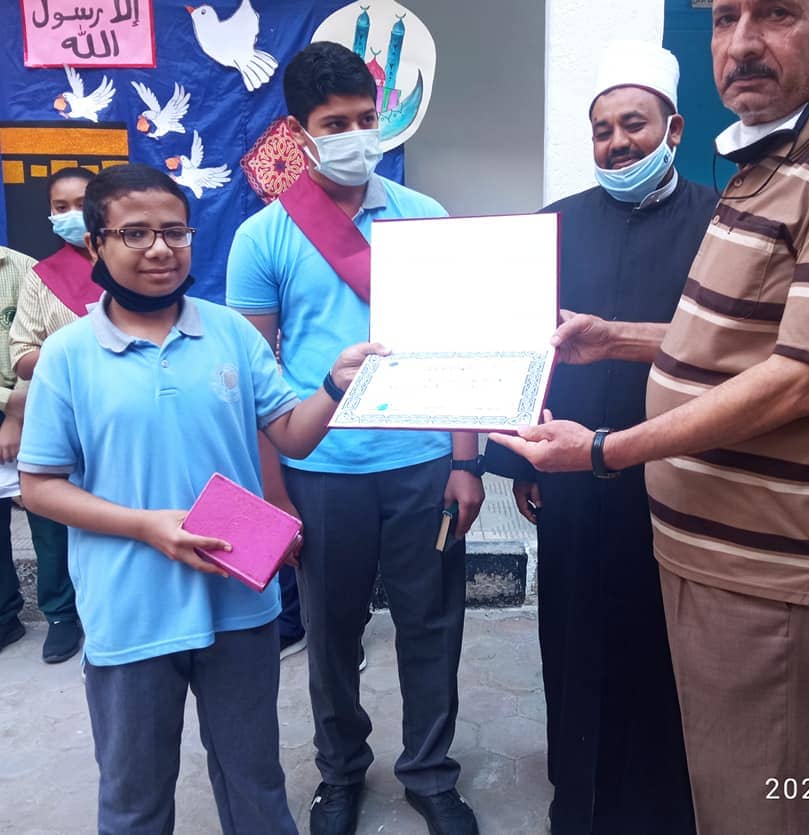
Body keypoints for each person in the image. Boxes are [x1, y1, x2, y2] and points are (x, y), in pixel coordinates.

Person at [491, 0, 809, 833]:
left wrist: (604, 450)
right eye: (726, 18)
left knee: (767, 802)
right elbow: (750, 342)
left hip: (789, 568)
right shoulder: (770, 166)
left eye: (775, 13)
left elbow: (801, 379)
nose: (743, 41)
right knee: (718, 778)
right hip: (717, 552)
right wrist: (616, 338)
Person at [17, 162, 384, 835]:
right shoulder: (67, 356)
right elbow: (40, 486)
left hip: (238, 600)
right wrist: (145, 526)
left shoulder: (230, 333)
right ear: (95, 244)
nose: (160, 248)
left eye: (175, 232)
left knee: (256, 786)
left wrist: (336, 385)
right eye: (135, 233)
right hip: (131, 608)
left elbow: (294, 437)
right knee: (134, 798)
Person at [226, 41, 484, 835]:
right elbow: (256, 379)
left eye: (366, 118)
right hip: (321, 470)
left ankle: (430, 771)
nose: (356, 135)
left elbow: (459, 347)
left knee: (432, 626)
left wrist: (467, 461)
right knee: (332, 633)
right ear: (299, 134)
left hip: (423, 464)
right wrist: (273, 495)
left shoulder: (425, 219)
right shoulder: (263, 237)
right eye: (335, 123)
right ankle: (340, 770)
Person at [484, 42, 715, 835]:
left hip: (682, 469)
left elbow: (735, 347)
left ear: (674, 129)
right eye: (602, 130)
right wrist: (518, 459)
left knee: (666, 639)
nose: (617, 143)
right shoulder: (553, 225)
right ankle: (576, 797)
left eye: (634, 125)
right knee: (575, 634)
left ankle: (661, 803)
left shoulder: (721, 223)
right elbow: (521, 345)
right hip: (573, 472)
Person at [6, 166, 99, 663]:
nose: (71, 215)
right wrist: (81, 349)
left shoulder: (131, 261)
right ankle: (61, 615)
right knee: (51, 523)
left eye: (81, 203)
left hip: (117, 417)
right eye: (60, 207)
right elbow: (21, 354)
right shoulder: (41, 277)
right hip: (59, 415)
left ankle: (109, 607)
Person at [0, 244, 38, 655]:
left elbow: (30, 348)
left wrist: (15, 416)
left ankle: (59, 613)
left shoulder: (23, 268)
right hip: (8, 400)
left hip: (25, 405)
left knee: (43, 516)